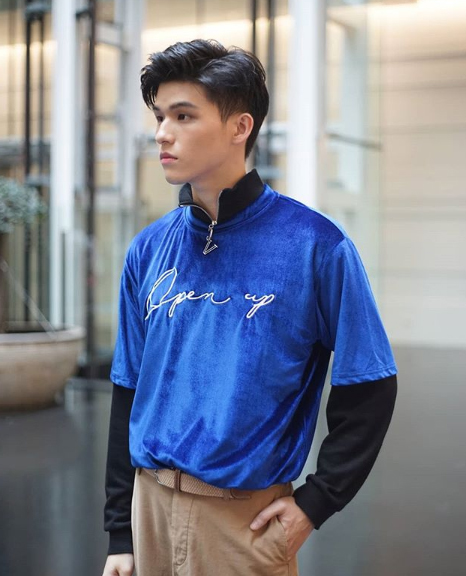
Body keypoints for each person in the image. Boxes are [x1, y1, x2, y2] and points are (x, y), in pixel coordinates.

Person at [102, 39, 397, 576]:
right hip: (149, 513)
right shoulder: (148, 249)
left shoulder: (315, 246)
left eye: (183, 116)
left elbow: (370, 382)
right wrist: (120, 533)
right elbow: (128, 389)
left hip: (244, 525)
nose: (162, 133)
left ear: (240, 127)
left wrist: (317, 501)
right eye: (160, 116)